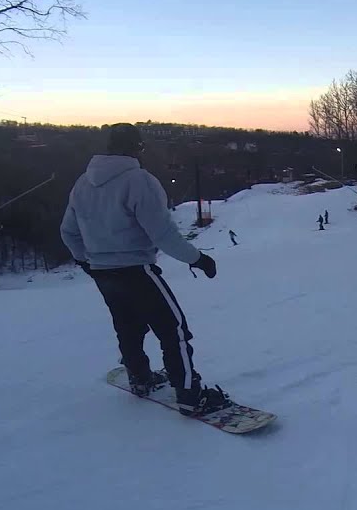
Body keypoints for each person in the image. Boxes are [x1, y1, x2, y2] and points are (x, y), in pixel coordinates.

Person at [60, 123, 231, 417]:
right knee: (173, 331)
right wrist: (198, 259)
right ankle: (191, 396)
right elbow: (162, 234)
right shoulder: (139, 181)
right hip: (137, 271)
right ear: (137, 148)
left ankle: (140, 379)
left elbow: (68, 232)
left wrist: (85, 261)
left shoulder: (82, 184)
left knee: (128, 327)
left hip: (102, 273)